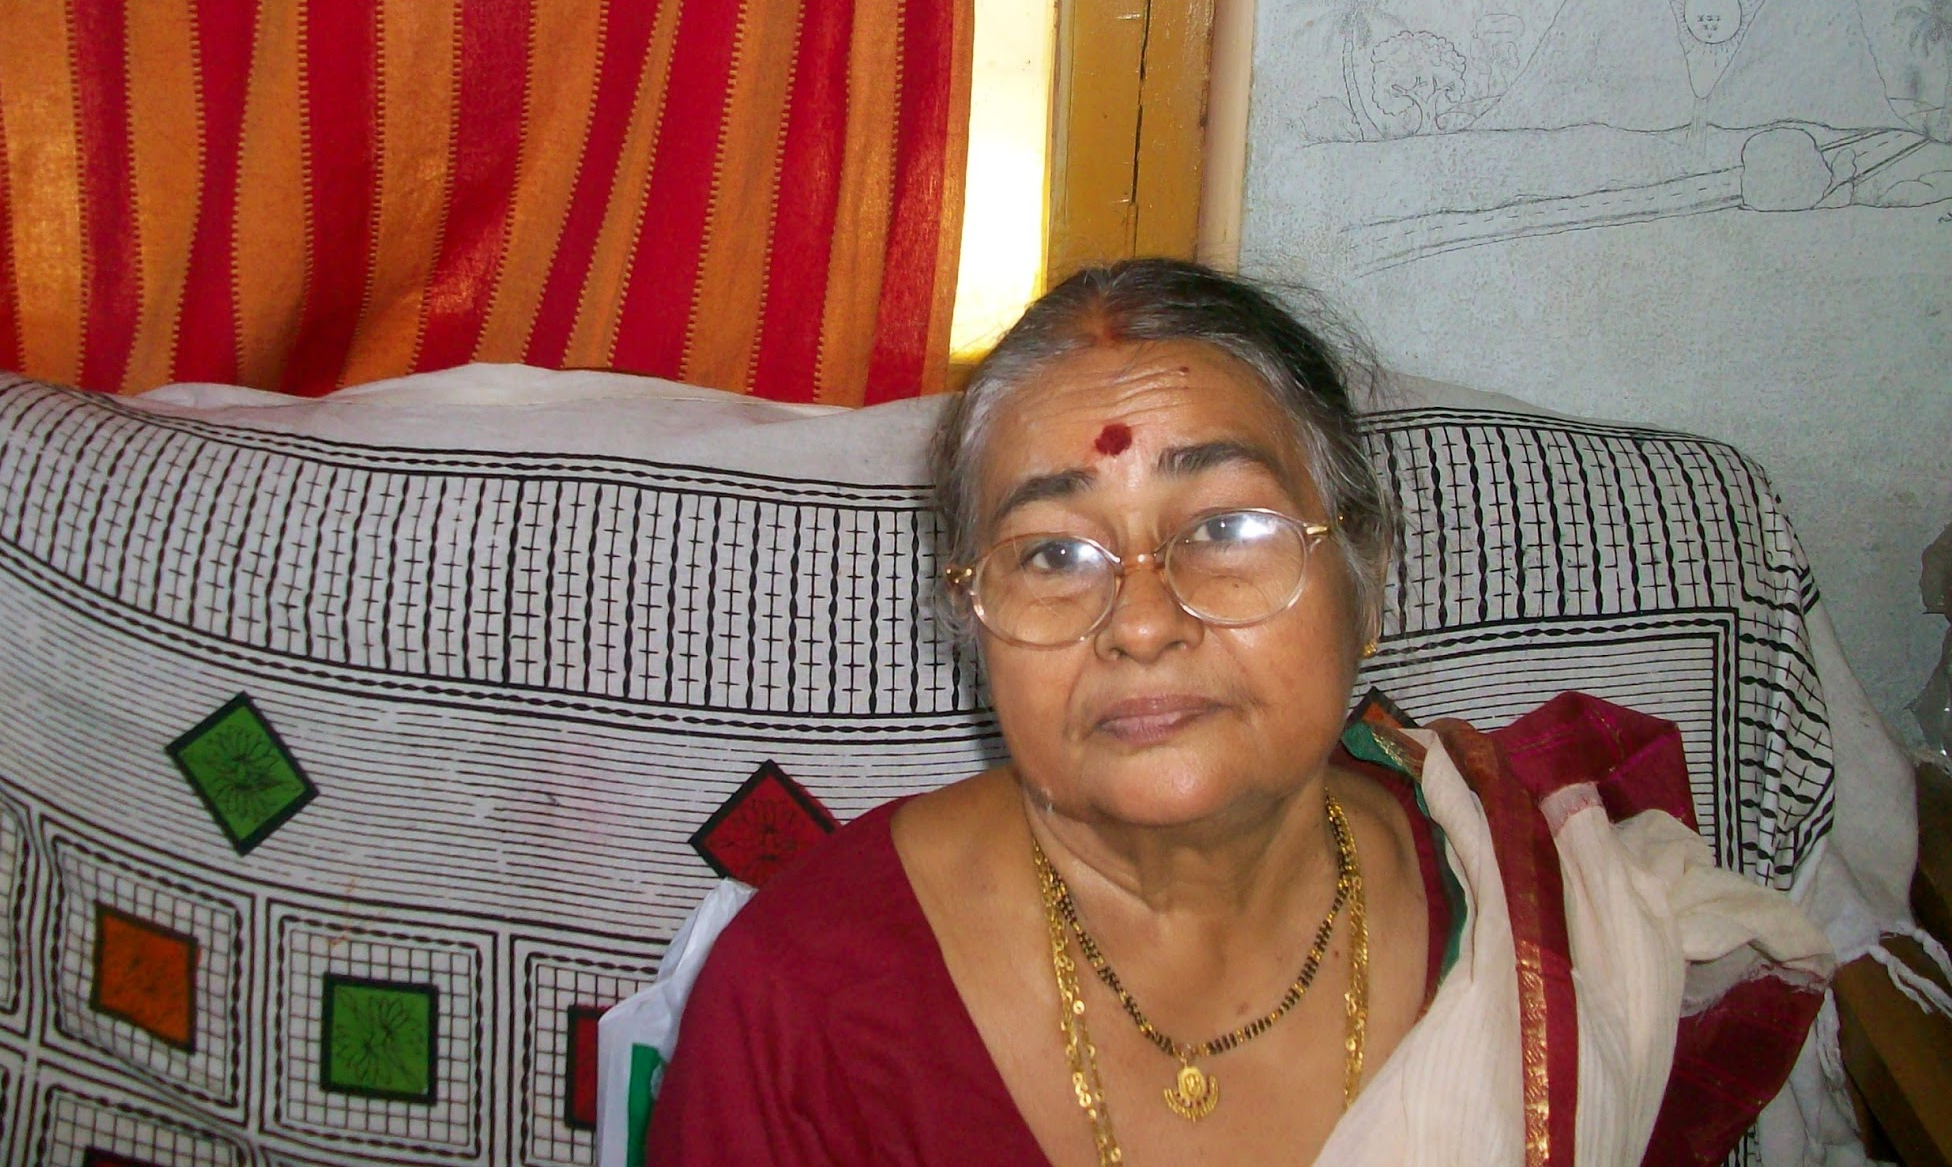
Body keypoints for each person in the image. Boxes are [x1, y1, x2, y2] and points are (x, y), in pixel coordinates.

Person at [646, 259, 1831, 1165]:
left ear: (1363, 580)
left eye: (1222, 528)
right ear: (975, 623)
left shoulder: (1541, 931)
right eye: (1052, 553)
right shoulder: (798, 1008)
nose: (1141, 623)